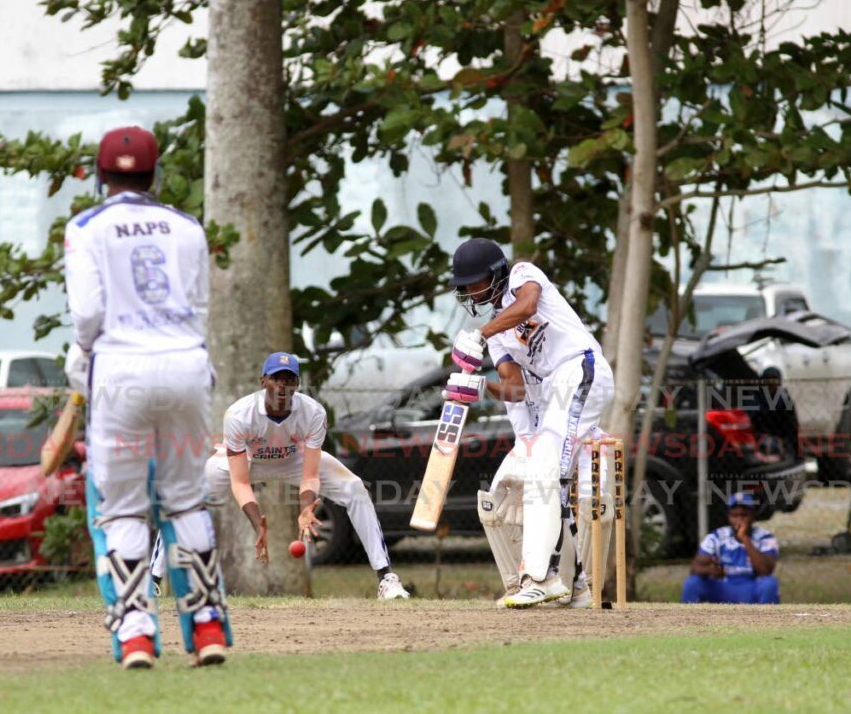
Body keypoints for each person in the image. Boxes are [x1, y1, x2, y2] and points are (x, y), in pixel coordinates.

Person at [64, 125, 229, 670]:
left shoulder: (86, 227)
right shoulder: (187, 227)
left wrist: (86, 359)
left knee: (123, 507)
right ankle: (206, 628)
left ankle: (136, 634)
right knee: (184, 500)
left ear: (99, 174)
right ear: (155, 174)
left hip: (120, 371)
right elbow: (202, 307)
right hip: (185, 364)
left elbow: (87, 314)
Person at [154, 352, 410, 600]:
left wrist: (306, 510)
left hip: (292, 459)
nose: (282, 385)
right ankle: (153, 581)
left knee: (354, 488)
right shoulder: (239, 415)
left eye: (289, 380)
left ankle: (386, 579)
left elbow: (309, 476)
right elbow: (240, 482)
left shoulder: (314, 413)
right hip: (249, 460)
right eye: (276, 378)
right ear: (263, 381)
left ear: (297, 384)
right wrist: (257, 525)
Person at [446, 237, 615, 608]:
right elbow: (515, 389)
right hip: (554, 391)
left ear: (494, 273)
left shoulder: (523, 274)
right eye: (465, 286)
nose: (470, 292)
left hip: (579, 368)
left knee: (545, 467)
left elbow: (527, 306)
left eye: (474, 282)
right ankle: (576, 587)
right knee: (522, 487)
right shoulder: (498, 336)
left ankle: (542, 577)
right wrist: (478, 384)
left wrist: (480, 333)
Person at [477, 369, 592, 609]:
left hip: (567, 439)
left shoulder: (556, 359)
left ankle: (575, 584)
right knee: (492, 505)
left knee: (554, 503)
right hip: (529, 442)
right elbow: (520, 417)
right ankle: (519, 585)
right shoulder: (508, 361)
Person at [681, 492, 780, 604]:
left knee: (769, 584)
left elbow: (765, 571)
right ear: (728, 517)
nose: (739, 520)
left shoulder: (765, 537)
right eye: (735, 516)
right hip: (724, 588)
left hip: (752, 588)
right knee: (692, 583)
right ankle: (688, 620)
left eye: (744, 515)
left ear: (753, 516)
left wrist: (744, 539)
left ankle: (767, 620)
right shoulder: (716, 536)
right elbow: (694, 568)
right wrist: (711, 570)